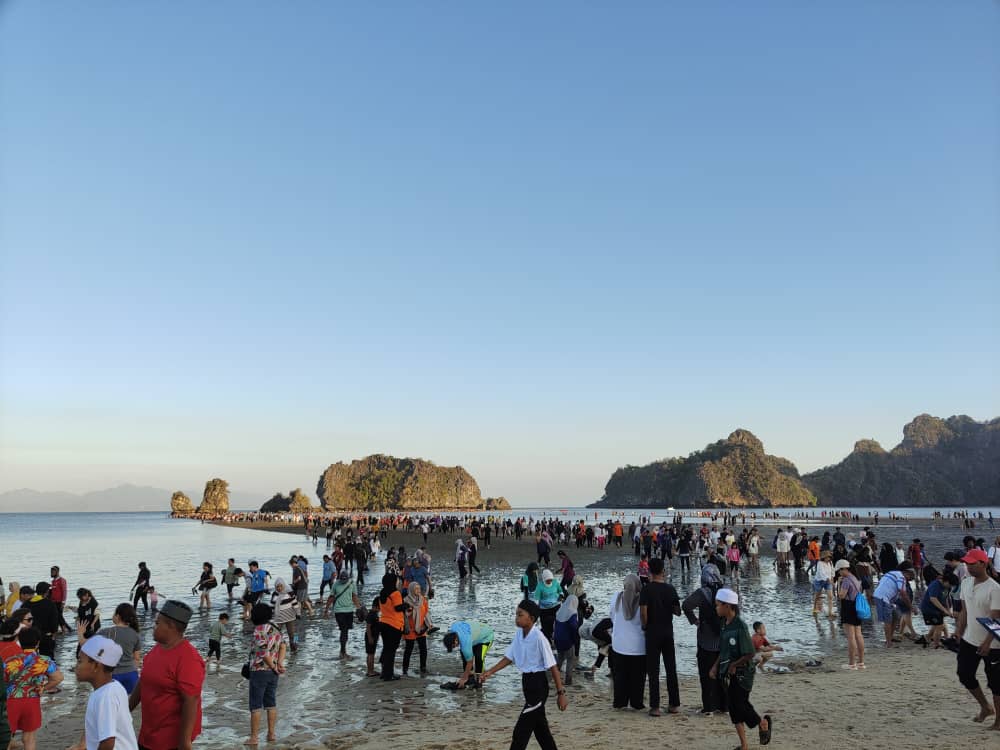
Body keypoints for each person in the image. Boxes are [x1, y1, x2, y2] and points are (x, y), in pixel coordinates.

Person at [480, 600, 568, 750]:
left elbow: (553, 667)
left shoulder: (539, 638)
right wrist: (489, 672)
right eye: (516, 614)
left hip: (538, 686)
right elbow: (509, 657)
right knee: (541, 731)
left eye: (520, 615)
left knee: (521, 732)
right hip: (527, 684)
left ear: (531, 618)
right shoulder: (519, 635)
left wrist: (561, 693)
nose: (516, 618)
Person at [128, 600, 205, 750]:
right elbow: (144, 681)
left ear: (171, 626)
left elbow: (191, 701)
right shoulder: (156, 649)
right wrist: (124, 711)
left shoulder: (189, 658)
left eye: (157, 623)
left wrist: (185, 742)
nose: (153, 626)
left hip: (171, 740)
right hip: (148, 734)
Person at [709, 589, 772, 750]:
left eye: (718, 605)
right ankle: (744, 745)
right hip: (727, 672)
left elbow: (750, 653)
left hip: (743, 674)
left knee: (740, 703)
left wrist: (734, 665)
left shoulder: (741, 627)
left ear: (728, 606)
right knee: (734, 708)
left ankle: (762, 723)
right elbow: (723, 650)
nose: (716, 608)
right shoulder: (724, 624)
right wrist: (715, 666)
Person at [954, 547, 1000, 729]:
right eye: (966, 563)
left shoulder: (995, 588)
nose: (969, 567)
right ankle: (985, 707)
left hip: (994, 643)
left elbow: (996, 619)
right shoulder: (966, 583)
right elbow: (966, 611)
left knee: (996, 684)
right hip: (969, 639)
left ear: (984, 563)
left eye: (972, 564)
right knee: (964, 674)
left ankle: (999, 722)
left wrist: (988, 642)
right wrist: (959, 630)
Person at [68, 634, 139, 750]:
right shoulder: (113, 687)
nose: (76, 667)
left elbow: (108, 743)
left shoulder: (106, 696)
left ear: (96, 666)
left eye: (80, 661)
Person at [2, 626, 64, 750]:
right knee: (29, 738)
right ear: (38, 642)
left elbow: (3, 680)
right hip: (32, 701)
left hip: (10, 702)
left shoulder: (9, 661)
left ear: (19, 641)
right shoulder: (44, 660)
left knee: (7, 738)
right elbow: (58, 678)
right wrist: (44, 688)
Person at [682, 563, 726, 714]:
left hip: (705, 641)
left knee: (706, 675)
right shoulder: (725, 592)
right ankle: (724, 706)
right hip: (723, 642)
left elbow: (686, 605)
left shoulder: (702, 593)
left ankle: (709, 708)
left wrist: (695, 621)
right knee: (722, 674)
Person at [639, 557, 681, 716]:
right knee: (671, 668)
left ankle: (655, 707)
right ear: (663, 571)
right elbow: (677, 611)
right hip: (667, 631)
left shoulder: (646, 589)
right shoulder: (670, 589)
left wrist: (644, 625)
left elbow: (643, 612)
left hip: (652, 632)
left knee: (653, 670)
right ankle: (674, 704)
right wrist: (669, 606)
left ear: (649, 571)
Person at [245, 602, 286, 747]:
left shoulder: (258, 630)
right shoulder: (275, 628)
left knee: (255, 705)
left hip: (259, 671)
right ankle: (271, 734)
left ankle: (254, 738)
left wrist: (274, 667)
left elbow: (264, 654)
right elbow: (283, 646)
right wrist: (279, 664)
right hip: (272, 672)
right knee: (271, 703)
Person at [610, 574, 646, 710]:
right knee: (638, 677)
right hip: (639, 647)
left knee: (620, 676)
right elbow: (645, 620)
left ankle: (620, 702)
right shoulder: (642, 599)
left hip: (619, 645)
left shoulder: (617, 598)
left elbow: (612, 616)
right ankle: (636, 703)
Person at [97, 603, 143, 695]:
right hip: (131, 674)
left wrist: (80, 634)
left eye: (114, 613)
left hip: (113, 675)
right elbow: (137, 658)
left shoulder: (105, 632)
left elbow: (87, 646)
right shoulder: (135, 634)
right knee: (129, 704)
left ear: (118, 616)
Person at [873, 561, 915, 647]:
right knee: (887, 620)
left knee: (896, 616)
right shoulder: (901, 577)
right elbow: (903, 592)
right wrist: (911, 607)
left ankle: (890, 638)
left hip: (882, 597)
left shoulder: (891, 573)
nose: (908, 580)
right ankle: (888, 642)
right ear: (906, 573)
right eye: (909, 578)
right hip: (883, 598)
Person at [443, 619, 495, 688]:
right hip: (474, 635)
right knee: (465, 654)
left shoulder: (465, 642)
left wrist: (464, 678)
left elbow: (470, 662)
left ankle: (479, 679)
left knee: (479, 657)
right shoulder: (453, 627)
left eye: (453, 646)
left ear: (455, 640)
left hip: (486, 636)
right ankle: (470, 677)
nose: (455, 647)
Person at [836, 558, 865, 670]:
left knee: (850, 636)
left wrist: (839, 584)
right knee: (859, 634)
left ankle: (852, 664)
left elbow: (841, 595)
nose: (839, 573)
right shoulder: (855, 578)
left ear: (844, 569)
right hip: (856, 606)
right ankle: (861, 663)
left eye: (839, 570)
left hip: (848, 607)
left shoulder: (846, 580)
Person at [325, 570, 361, 659]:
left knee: (345, 631)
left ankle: (343, 651)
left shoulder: (352, 583)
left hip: (349, 610)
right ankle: (343, 652)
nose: (343, 581)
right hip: (339, 611)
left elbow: (354, 596)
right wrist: (326, 610)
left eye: (345, 580)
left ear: (348, 578)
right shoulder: (335, 584)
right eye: (342, 580)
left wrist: (358, 608)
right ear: (339, 578)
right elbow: (331, 597)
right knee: (344, 630)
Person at [378, 573, 406, 681]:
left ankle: (384, 672)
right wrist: (407, 605)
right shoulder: (395, 593)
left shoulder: (382, 593)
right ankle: (389, 675)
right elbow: (398, 608)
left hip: (383, 623)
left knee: (386, 648)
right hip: (394, 625)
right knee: (391, 651)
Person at [920, 571, 957, 648]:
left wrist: (948, 610)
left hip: (938, 609)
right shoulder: (935, 585)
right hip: (929, 609)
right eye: (950, 584)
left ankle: (927, 638)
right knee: (939, 626)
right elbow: (933, 599)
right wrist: (944, 610)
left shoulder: (948, 587)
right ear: (945, 581)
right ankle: (936, 644)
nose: (950, 586)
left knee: (938, 624)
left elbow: (946, 597)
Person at [402, 582, 431, 676]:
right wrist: (410, 610)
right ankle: (405, 670)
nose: (418, 591)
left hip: (421, 627)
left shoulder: (423, 599)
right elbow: (405, 615)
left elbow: (426, 612)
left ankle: (423, 668)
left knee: (423, 648)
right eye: (416, 589)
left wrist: (429, 624)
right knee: (409, 649)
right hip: (410, 629)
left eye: (419, 588)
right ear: (411, 590)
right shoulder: (405, 601)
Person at [26, 582, 59, 658]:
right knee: (48, 658)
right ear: (46, 592)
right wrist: (54, 633)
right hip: (46, 636)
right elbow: (54, 621)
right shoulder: (49, 603)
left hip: (30, 636)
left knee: (31, 659)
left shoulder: (26, 604)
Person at [553, 594, 578, 686]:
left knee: (560, 657)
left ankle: (554, 674)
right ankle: (568, 680)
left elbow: (555, 626)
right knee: (570, 659)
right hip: (567, 640)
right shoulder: (572, 613)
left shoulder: (560, 611)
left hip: (557, 639)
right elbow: (574, 627)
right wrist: (574, 640)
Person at [269, 579, 300, 652]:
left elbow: (295, 603)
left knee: (293, 634)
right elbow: (271, 605)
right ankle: (277, 649)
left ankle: (295, 648)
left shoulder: (289, 593)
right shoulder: (274, 594)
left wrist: (298, 613)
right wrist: (269, 616)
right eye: (277, 587)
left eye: (281, 586)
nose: (279, 588)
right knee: (275, 634)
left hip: (290, 617)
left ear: (284, 585)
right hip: (278, 618)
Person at [536, 570, 562, 643]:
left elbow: (560, 591)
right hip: (544, 610)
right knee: (545, 627)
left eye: (551, 580)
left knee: (556, 625)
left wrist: (561, 595)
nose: (549, 581)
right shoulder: (540, 586)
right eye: (548, 580)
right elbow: (536, 599)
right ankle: (547, 642)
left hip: (556, 607)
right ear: (544, 579)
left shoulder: (555, 582)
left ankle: (555, 640)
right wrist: (536, 609)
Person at [811, 550, 835, 619]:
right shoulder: (820, 563)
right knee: (818, 595)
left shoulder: (830, 563)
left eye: (829, 557)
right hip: (819, 581)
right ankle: (815, 607)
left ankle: (830, 612)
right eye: (828, 557)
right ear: (824, 557)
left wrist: (832, 579)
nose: (829, 559)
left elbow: (832, 571)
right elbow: (822, 573)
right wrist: (828, 579)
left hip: (828, 582)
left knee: (830, 596)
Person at [50, 566, 71, 634]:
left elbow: (64, 591)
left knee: (59, 616)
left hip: (59, 602)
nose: (52, 573)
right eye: (51, 571)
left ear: (58, 572)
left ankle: (66, 629)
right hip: (53, 602)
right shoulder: (53, 581)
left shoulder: (62, 580)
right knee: (57, 616)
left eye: (53, 571)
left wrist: (63, 602)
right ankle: (66, 629)